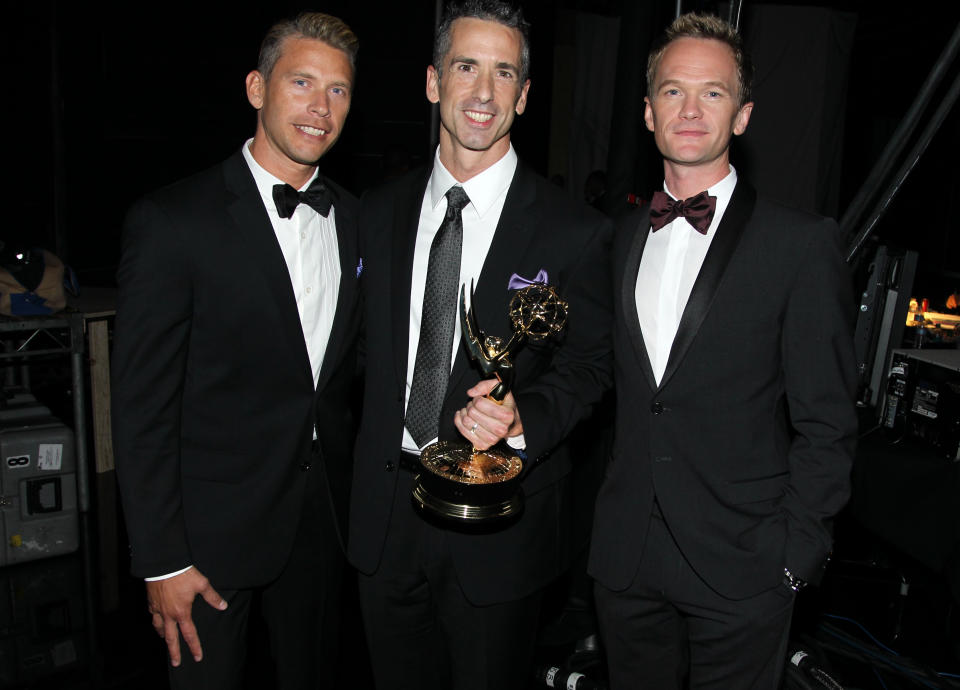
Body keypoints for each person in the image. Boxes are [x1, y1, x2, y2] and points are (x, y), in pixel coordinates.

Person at [588, 12, 858, 689]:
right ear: (648, 113)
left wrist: (797, 554)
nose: (690, 108)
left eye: (713, 92)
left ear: (741, 116)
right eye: (673, 91)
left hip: (746, 565)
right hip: (627, 559)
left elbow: (829, 420)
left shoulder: (800, 245)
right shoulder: (618, 237)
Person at [347, 2, 612, 688]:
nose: (484, 93)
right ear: (435, 81)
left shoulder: (575, 231)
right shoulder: (373, 214)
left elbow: (589, 366)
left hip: (500, 530)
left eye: (504, 74)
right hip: (384, 517)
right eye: (467, 67)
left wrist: (528, 419)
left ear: (524, 96)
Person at [111, 12, 361, 690]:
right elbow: (141, 409)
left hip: (319, 523)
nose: (320, 107)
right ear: (256, 87)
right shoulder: (173, 221)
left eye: (338, 90)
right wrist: (160, 561)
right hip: (207, 536)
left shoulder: (355, 221)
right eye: (302, 82)